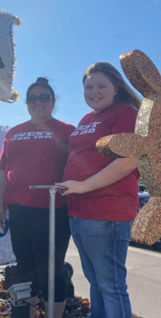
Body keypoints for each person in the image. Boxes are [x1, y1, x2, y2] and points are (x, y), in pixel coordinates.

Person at [56, 62, 141, 318]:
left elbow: (129, 159)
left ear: (116, 88)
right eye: (88, 86)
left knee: (111, 286)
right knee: (96, 282)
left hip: (106, 211)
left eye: (101, 86)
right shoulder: (87, 119)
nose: (94, 91)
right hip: (80, 212)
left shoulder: (124, 113)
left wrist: (82, 186)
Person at [0, 77, 75, 318]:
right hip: (19, 209)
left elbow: (79, 168)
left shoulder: (67, 131)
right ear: (27, 103)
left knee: (51, 270)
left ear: (53, 102)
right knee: (25, 268)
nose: (38, 102)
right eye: (33, 98)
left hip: (52, 211)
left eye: (44, 97)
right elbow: (2, 170)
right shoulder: (14, 132)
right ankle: (26, 314)